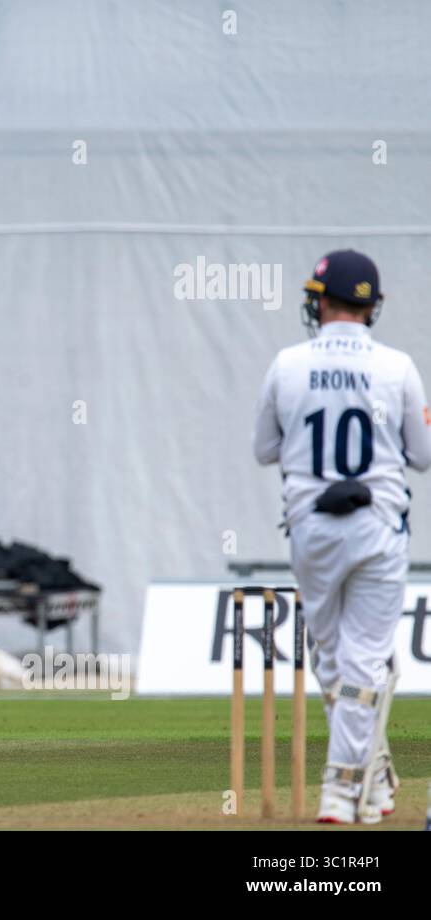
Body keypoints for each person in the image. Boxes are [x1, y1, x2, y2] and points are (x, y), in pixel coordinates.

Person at [254, 249, 431, 823]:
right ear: (371, 306)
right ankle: (346, 788)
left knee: (335, 664)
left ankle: (369, 786)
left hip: (311, 530)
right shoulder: (398, 366)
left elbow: (264, 449)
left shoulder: (286, 363)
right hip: (378, 527)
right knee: (360, 667)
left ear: (319, 301)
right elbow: (423, 457)